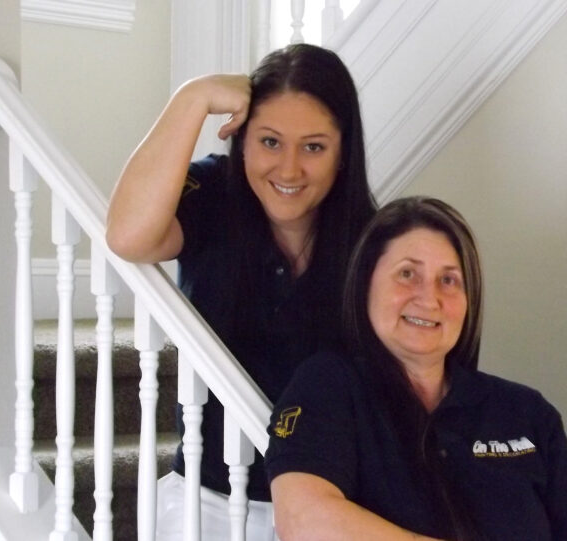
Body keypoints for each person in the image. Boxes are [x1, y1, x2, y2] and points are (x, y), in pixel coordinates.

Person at [106, 43, 377, 540]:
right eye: (270, 142)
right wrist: (193, 98)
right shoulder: (214, 193)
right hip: (206, 499)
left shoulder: (374, 243)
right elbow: (128, 235)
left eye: (313, 147)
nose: (289, 169)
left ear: (343, 153)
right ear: (242, 139)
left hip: (327, 510)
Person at [265, 196, 567, 541]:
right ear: (367, 283)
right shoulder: (328, 385)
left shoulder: (529, 413)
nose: (429, 299)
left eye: (449, 280)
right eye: (407, 274)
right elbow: (303, 520)